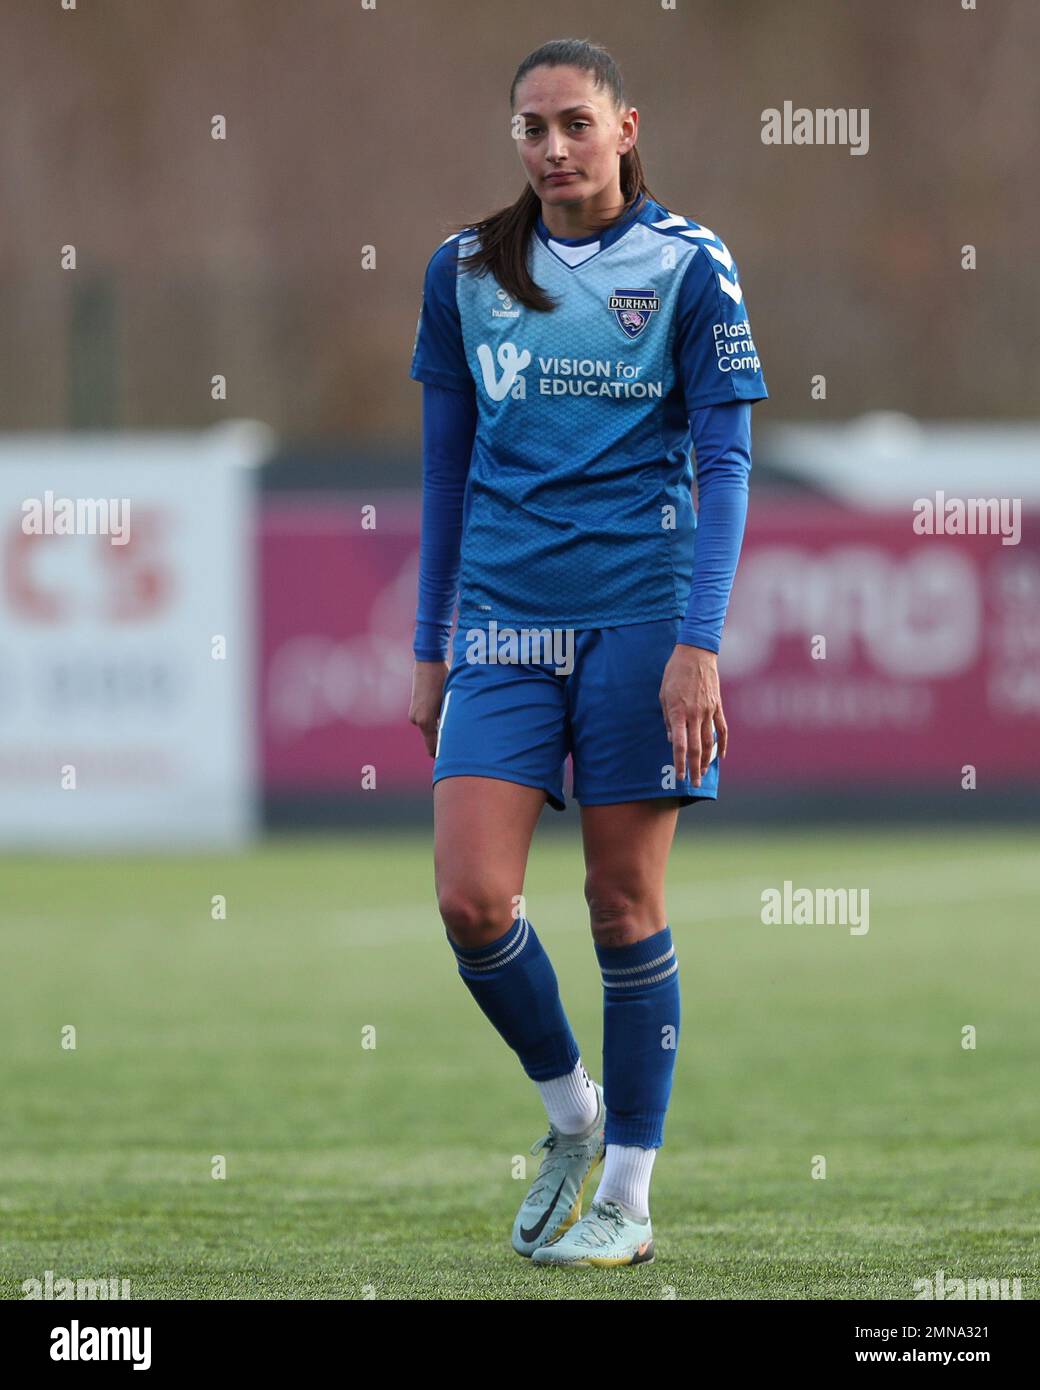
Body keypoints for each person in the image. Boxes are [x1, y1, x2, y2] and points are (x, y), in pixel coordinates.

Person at [407, 36, 768, 1268]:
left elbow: (721, 464)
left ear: (624, 127)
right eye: (530, 128)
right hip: (503, 620)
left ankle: (628, 1198)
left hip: (638, 614)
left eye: (573, 123)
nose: (551, 147)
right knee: (470, 897)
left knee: (620, 901)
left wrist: (696, 644)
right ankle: (570, 1115)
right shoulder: (463, 269)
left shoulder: (686, 265)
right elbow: (443, 466)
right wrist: (429, 644)